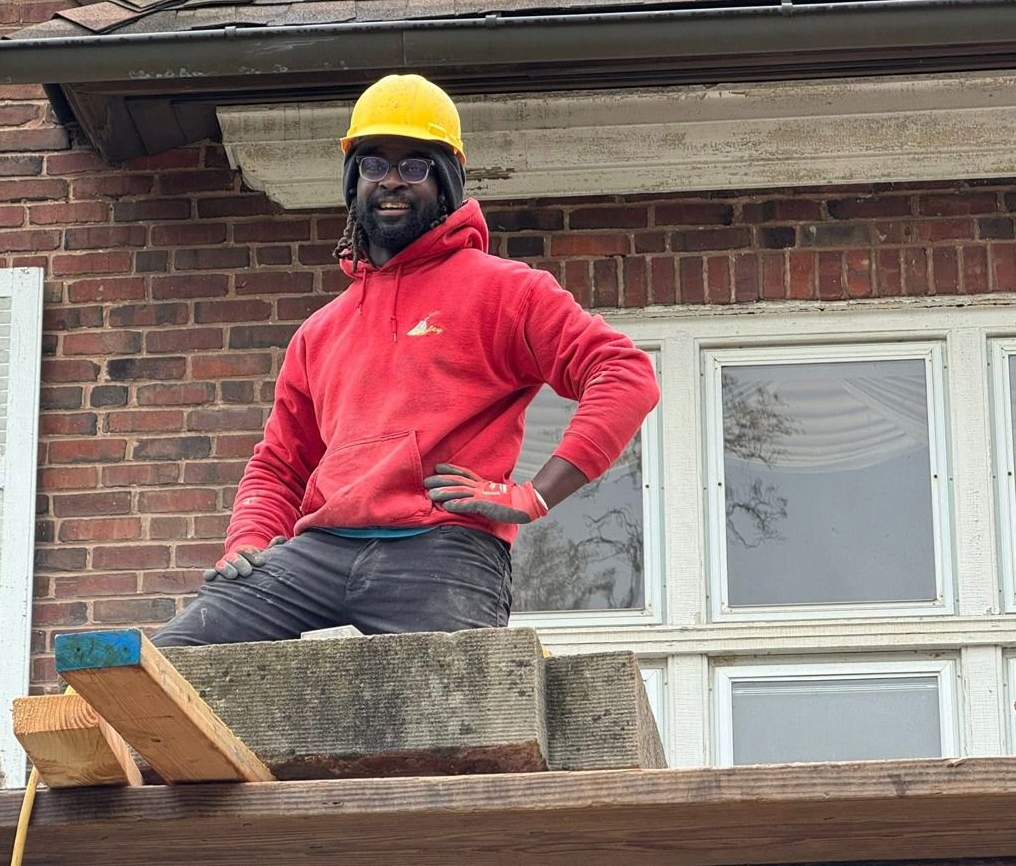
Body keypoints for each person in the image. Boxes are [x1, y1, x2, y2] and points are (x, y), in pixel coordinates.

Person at [151, 74, 659, 647]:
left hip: (444, 551)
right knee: (166, 662)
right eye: (373, 165)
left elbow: (625, 373)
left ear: (445, 182)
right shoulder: (319, 332)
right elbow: (281, 464)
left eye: (415, 166)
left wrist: (535, 494)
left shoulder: (504, 291)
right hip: (319, 550)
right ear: (353, 182)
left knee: (459, 717)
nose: (391, 181)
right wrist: (249, 538)